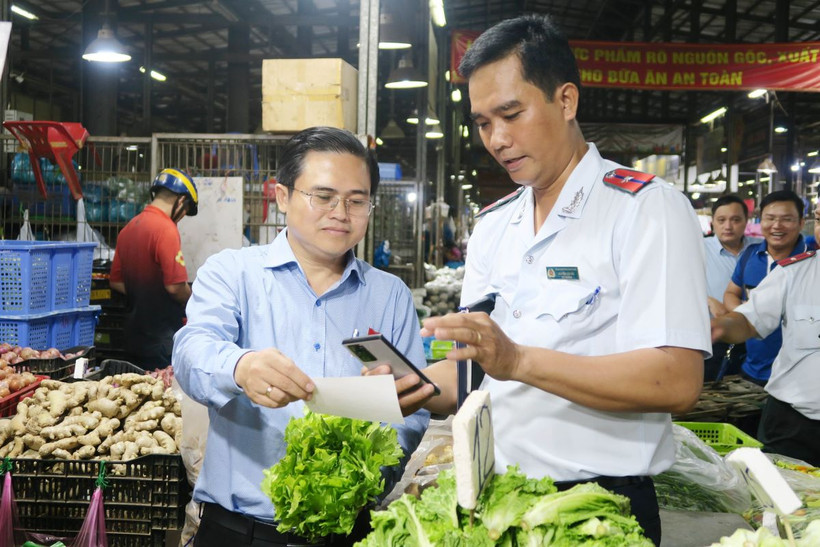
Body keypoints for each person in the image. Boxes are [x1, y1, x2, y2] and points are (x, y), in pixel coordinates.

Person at [372, 14, 710, 546]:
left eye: (511, 113)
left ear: (566, 101)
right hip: (500, 496)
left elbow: (676, 380)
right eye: (483, 122)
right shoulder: (493, 225)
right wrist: (412, 386)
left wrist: (520, 361)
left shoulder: (644, 211)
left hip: (599, 506)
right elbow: (477, 377)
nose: (498, 139)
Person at [172, 127, 429, 547]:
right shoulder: (233, 273)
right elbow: (190, 352)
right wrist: (240, 367)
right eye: (323, 196)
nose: (340, 213)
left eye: (356, 200)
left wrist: (365, 476)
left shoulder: (390, 296)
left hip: (346, 530)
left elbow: (412, 408)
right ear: (283, 197)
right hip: (241, 532)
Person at [711, 200, 820, 466]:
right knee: (785, 503)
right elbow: (749, 321)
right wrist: (720, 327)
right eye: (819, 219)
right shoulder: (794, 272)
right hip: (795, 424)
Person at [109, 168, 198, 370]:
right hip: (161, 340)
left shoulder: (129, 228)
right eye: (186, 211)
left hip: (132, 337)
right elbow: (175, 287)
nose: (182, 216)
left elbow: (115, 281)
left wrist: (143, 291)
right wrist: (195, 301)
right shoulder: (165, 229)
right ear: (182, 201)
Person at [723, 190, 807, 385]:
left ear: (801, 223)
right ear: (760, 221)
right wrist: (749, 316)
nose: (777, 226)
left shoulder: (811, 261)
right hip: (752, 371)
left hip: (799, 378)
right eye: (770, 218)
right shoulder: (750, 256)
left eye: (787, 219)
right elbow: (730, 293)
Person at [703, 195, 761, 380]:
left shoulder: (759, 250)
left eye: (736, 220)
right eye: (721, 220)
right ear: (713, 222)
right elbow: (673, 286)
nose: (728, 226)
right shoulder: (697, 249)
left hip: (754, 335)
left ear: (746, 221)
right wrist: (706, 300)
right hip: (714, 336)